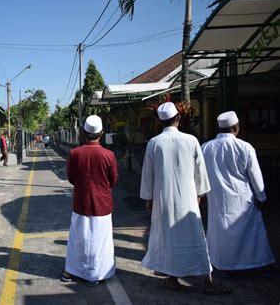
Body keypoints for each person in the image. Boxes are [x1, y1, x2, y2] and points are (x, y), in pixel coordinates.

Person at [140, 102, 232, 295]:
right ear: (178, 118)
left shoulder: (154, 143)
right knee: (195, 238)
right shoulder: (191, 140)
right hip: (188, 199)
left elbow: (148, 175)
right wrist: (200, 193)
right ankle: (207, 282)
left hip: (163, 200)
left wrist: (149, 198)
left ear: (158, 121)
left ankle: (173, 278)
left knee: (169, 238)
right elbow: (200, 171)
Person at [201, 111, 275, 277]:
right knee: (250, 233)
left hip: (218, 200)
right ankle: (254, 264)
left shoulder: (206, 148)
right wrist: (261, 197)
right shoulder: (245, 147)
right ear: (235, 127)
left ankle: (222, 264)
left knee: (221, 233)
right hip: (243, 200)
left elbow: (200, 175)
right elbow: (256, 177)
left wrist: (202, 195)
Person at [61, 115, 118, 287]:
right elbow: (113, 180)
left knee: (78, 238)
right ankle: (97, 274)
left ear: (84, 132)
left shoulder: (75, 153)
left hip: (81, 202)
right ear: (101, 133)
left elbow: (71, 178)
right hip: (102, 203)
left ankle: (71, 270)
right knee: (101, 240)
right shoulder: (109, 155)